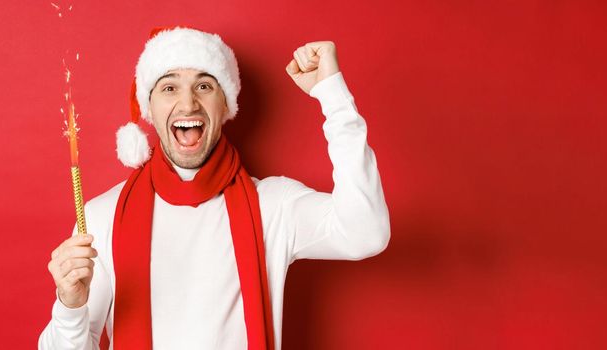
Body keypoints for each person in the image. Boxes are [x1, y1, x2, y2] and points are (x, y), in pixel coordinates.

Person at [38, 27, 390, 350]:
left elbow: (366, 232)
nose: (188, 103)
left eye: (204, 86)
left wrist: (333, 96)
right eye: (169, 87)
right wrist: (70, 306)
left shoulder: (273, 205)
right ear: (150, 108)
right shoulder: (102, 216)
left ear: (226, 105)